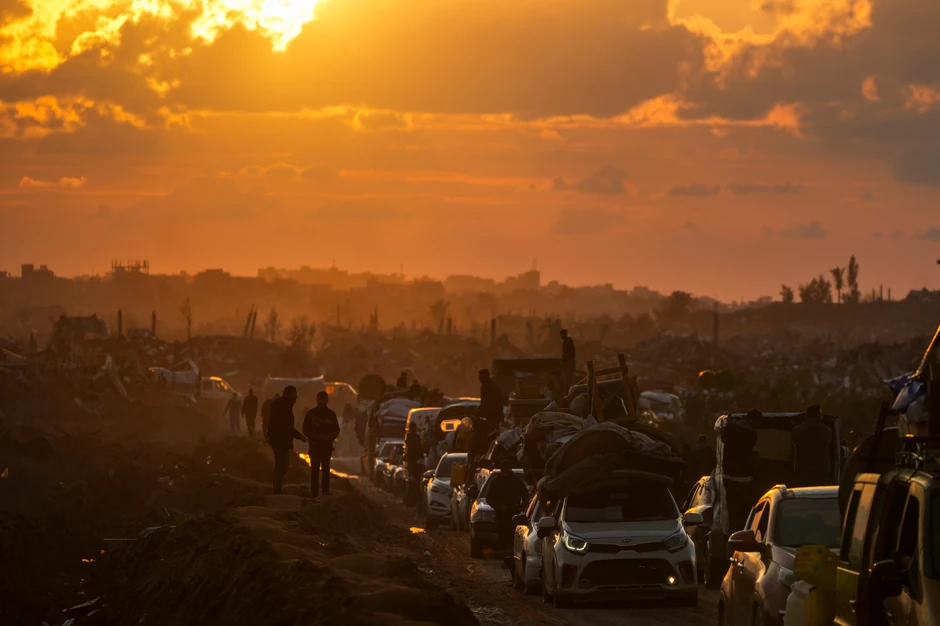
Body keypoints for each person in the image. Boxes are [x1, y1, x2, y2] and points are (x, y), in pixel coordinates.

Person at [267, 386, 307, 494]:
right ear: (289, 395)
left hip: (280, 438)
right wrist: (299, 436)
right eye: (294, 394)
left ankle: (277, 487)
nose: (296, 397)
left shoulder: (283, 405)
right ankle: (277, 488)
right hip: (279, 438)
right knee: (282, 463)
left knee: (282, 463)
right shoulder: (283, 406)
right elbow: (286, 425)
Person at [486, 459, 529, 555]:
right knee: (503, 536)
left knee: (512, 536)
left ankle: (510, 556)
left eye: (507, 470)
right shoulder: (495, 482)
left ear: (510, 469)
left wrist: (522, 507)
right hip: (500, 515)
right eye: (503, 470)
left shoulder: (516, 481)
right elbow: (489, 498)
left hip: (514, 513)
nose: (505, 472)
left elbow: (525, 495)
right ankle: (506, 556)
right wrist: (498, 506)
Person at [303, 391, 340, 498]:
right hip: (316, 445)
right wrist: (316, 437)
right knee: (318, 469)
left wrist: (329, 437)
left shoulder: (329, 414)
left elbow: (336, 429)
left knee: (322, 469)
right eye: (321, 399)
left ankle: (322, 491)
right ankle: (318, 492)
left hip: (325, 446)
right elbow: (305, 429)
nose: (322, 401)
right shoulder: (312, 414)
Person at [791, 405, 833, 487]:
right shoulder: (826, 431)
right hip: (821, 474)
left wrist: (801, 421)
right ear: (819, 416)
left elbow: (794, 435)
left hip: (803, 474)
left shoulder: (797, 430)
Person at [473, 369, 503, 458]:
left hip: (494, 416)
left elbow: (488, 402)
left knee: (491, 434)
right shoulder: (485, 386)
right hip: (489, 416)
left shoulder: (491, 387)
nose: (479, 378)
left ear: (486, 376)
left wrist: (479, 411)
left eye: (480, 376)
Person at [405, 422, 424, 500]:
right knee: (413, 480)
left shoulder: (416, 436)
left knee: (416, 480)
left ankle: (415, 496)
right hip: (413, 462)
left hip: (416, 461)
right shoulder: (410, 437)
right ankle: (412, 497)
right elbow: (413, 448)